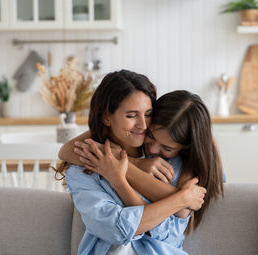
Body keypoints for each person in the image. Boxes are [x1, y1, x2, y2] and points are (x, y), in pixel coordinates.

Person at [57, 70, 206, 255]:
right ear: (107, 117)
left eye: (149, 114)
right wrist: (182, 199)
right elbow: (114, 229)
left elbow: (168, 236)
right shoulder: (83, 170)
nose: (143, 125)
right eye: (131, 115)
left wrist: (126, 169)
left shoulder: (170, 161)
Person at [61, 90, 224, 237]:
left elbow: (178, 214)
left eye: (166, 147)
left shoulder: (185, 167)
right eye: (150, 135)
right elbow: (65, 151)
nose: (153, 149)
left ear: (186, 147)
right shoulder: (124, 136)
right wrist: (134, 163)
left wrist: (121, 173)